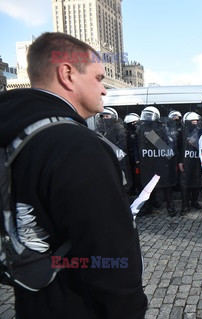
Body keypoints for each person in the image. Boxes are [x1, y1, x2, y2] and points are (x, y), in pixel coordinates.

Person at [0, 32, 147, 318]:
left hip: (32, 297)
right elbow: (108, 254)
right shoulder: (76, 145)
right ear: (67, 73)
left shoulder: (13, 133)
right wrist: (130, 309)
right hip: (78, 303)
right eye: (98, 78)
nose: (104, 90)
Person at [136, 106, 179, 216]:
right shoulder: (141, 128)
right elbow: (136, 145)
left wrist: (151, 137)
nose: (147, 117)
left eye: (149, 115)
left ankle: (170, 207)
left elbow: (167, 145)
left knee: (166, 185)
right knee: (148, 185)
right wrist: (137, 159)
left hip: (160, 161)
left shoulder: (162, 127)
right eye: (145, 115)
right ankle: (148, 207)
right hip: (147, 161)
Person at [178, 112, 202, 214]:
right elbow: (178, 147)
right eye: (192, 121)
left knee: (196, 182)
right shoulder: (181, 132)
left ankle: (194, 201)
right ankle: (185, 206)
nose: (195, 122)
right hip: (185, 161)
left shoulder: (200, 131)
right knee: (185, 182)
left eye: (196, 121)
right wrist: (180, 161)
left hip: (197, 160)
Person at [124, 112, 141, 196]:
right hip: (129, 159)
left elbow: (160, 145)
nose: (134, 125)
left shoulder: (145, 131)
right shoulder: (124, 133)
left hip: (144, 159)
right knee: (132, 176)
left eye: (135, 122)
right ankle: (132, 190)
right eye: (132, 123)